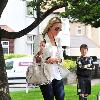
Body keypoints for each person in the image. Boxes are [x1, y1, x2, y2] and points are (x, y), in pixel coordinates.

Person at [34, 17, 65, 100]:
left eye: (60, 29)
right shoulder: (40, 38)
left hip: (57, 75)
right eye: (57, 28)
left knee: (61, 98)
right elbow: (37, 60)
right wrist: (41, 50)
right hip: (45, 75)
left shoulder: (58, 40)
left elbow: (62, 59)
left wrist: (56, 59)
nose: (58, 31)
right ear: (50, 26)